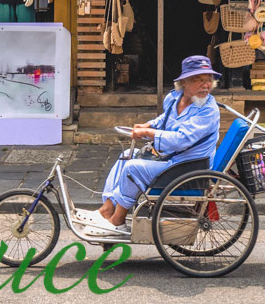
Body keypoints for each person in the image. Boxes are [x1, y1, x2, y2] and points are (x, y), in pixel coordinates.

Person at [81, 55, 222, 240]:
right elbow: (163, 120)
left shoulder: (208, 110)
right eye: (199, 80)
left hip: (188, 166)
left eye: (208, 80)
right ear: (185, 83)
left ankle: (118, 220)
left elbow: (182, 139)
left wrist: (150, 134)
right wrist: (147, 125)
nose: (205, 85)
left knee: (133, 168)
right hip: (172, 159)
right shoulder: (174, 98)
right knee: (126, 155)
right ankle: (107, 209)